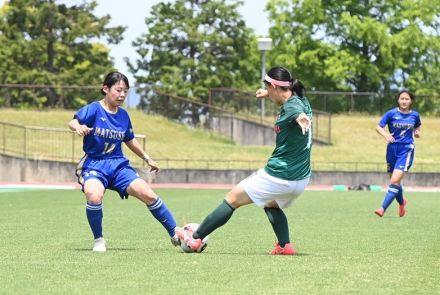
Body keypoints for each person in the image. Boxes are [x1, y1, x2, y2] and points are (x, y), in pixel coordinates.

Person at [176, 67, 313, 255]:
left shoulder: (292, 107)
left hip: (279, 175)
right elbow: (293, 103)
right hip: (301, 179)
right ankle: (285, 246)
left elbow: (297, 113)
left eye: (267, 87)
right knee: (270, 203)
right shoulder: (301, 99)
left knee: (232, 199)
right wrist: (267, 93)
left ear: (274, 86)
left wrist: (302, 120)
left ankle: (195, 238)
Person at [68, 71, 180, 252]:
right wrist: (78, 126)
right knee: (94, 195)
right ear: (106, 89)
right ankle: (99, 240)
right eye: (118, 90)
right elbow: (72, 122)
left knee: (148, 194)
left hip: (118, 165)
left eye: (125, 91)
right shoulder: (94, 109)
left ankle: (176, 234)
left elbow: (129, 139)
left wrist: (147, 158)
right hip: (95, 164)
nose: (122, 95)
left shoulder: (123, 116)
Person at [374, 89, 421, 217]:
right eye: (402, 98)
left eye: (407, 99)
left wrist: (417, 132)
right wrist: (385, 135)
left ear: (411, 101)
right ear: (398, 100)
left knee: (394, 181)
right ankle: (402, 202)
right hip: (392, 149)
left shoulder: (415, 115)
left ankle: (382, 208)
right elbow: (378, 126)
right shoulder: (391, 113)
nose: (404, 101)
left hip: (406, 150)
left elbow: (417, 126)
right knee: (394, 181)